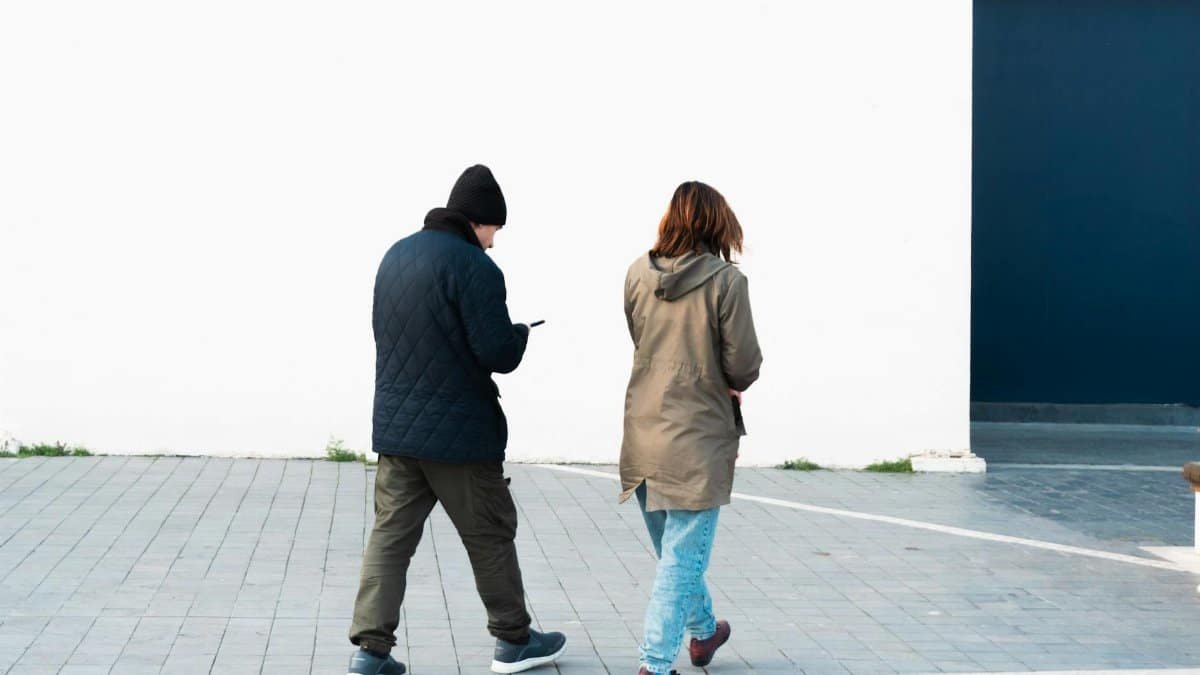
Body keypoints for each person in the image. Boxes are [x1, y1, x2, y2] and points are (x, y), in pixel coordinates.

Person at [348, 165, 566, 675]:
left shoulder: (396, 256)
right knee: (490, 535)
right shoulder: (476, 267)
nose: (493, 243)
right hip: (462, 437)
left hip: (398, 432)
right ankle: (514, 640)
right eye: (494, 230)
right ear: (479, 221)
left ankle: (369, 652)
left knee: (390, 538)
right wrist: (519, 335)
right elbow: (496, 352)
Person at [619, 181, 763, 675]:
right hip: (697, 437)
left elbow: (641, 337)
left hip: (643, 432)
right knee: (680, 559)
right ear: (718, 224)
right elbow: (743, 365)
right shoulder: (727, 282)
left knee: (675, 554)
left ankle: (703, 635)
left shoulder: (638, 273)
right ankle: (655, 664)